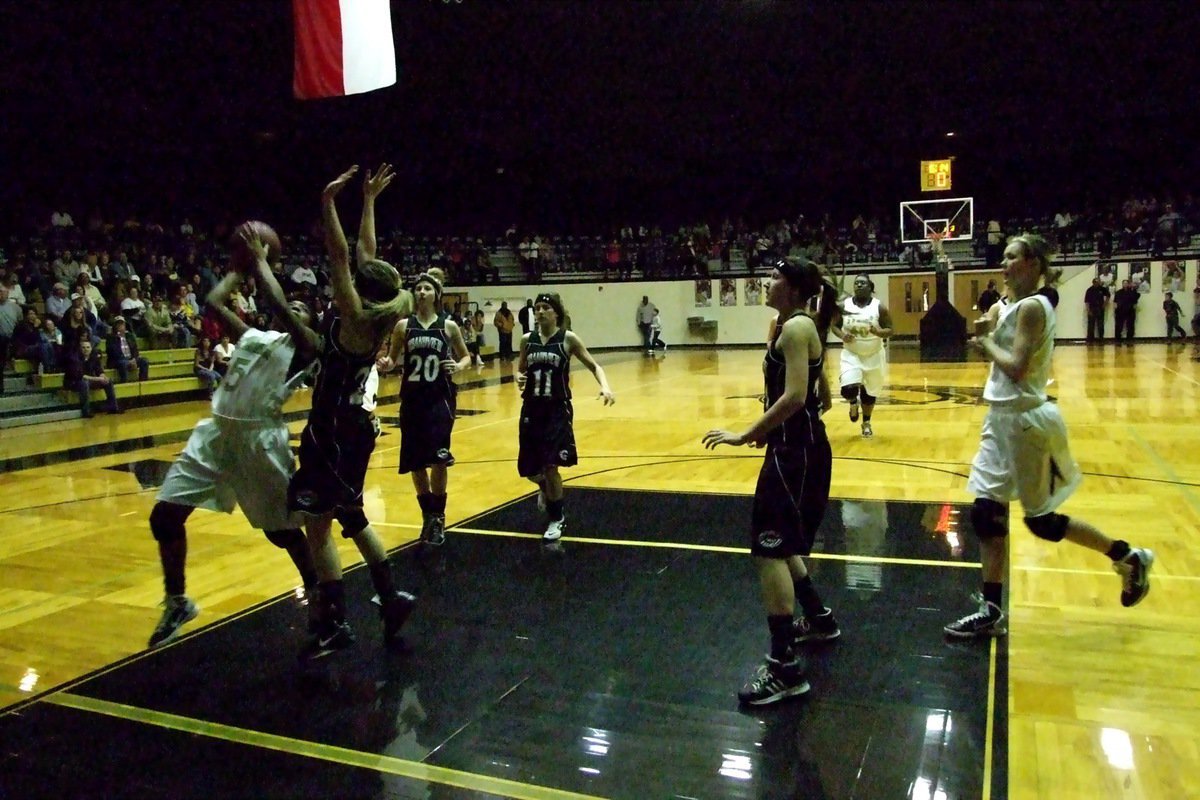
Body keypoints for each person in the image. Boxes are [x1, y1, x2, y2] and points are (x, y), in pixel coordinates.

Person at [945, 234, 1154, 639]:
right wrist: (986, 337)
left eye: (1012, 258)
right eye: (1003, 257)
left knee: (1040, 522)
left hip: (1025, 421)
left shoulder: (1034, 308)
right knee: (985, 515)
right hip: (999, 418)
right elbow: (998, 356)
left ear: (1035, 264)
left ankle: (1127, 556)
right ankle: (991, 610)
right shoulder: (1008, 305)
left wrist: (986, 341)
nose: (1003, 265)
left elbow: (1018, 367)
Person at [146, 232, 322, 647]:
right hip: (215, 434)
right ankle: (177, 601)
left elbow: (279, 303)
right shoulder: (254, 337)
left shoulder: (307, 347)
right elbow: (211, 303)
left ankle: (318, 589)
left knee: (281, 532)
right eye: (290, 305)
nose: (292, 309)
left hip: (259, 442)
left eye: (301, 309)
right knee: (164, 518)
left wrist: (262, 262)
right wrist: (239, 268)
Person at [287, 164, 417, 660]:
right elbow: (366, 256)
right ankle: (389, 597)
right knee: (353, 515)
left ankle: (335, 624)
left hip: (332, 429)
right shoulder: (383, 306)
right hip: (354, 429)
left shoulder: (355, 316)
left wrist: (326, 203)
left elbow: (342, 254)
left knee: (317, 527)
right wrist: (367, 201)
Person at [703, 258, 839, 706]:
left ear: (795, 288)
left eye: (777, 277)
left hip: (795, 454)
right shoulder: (790, 325)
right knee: (782, 545)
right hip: (796, 449)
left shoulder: (798, 328)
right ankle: (818, 617)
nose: (768, 281)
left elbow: (799, 396)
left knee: (768, 551)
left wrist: (749, 432)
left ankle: (785, 669)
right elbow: (822, 396)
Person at [380, 270, 470, 547]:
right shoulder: (403, 326)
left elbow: (466, 356)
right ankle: (428, 516)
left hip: (440, 398)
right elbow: (393, 359)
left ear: (437, 294)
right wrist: (386, 365)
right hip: (412, 399)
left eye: (426, 289)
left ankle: (438, 516)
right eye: (418, 288)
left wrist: (457, 366)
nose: (421, 292)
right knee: (415, 462)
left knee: (440, 458)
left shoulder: (449, 326)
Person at [517, 292, 615, 541]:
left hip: (556, 409)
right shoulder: (527, 340)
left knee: (551, 466)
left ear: (556, 313)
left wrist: (605, 386)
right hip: (531, 409)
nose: (540, 312)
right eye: (537, 308)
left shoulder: (567, 339)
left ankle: (556, 519)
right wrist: (519, 378)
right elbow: (520, 371)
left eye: (545, 308)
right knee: (528, 470)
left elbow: (595, 366)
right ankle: (543, 488)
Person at [831, 274, 892, 438]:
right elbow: (834, 326)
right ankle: (852, 403)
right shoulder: (844, 305)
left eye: (863, 283)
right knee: (848, 389)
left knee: (869, 393)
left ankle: (866, 422)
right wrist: (842, 335)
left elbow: (890, 329)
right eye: (856, 283)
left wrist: (879, 332)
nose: (858, 285)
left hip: (874, 354)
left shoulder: (880, 307)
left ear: (870, 287)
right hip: (852, 354)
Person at [63, 337, 121, 417]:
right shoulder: (74, 358)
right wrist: (98, 379)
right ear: (80, 349)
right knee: (84, 384)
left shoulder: (93, 357)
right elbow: (81, 376)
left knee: (108, 381)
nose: (86, 349)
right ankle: (86, 412)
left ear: (91, 348)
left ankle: (113, 408)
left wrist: (103, 376)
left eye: (88, 347)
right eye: (83, 347)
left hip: (89, 380)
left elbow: (99, 370)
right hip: (73, 382)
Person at [105, 316, 150, 382]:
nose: (120, 326)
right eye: (118, 324)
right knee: (123, 363)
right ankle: (124, 383)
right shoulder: (111, 338)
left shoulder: (130, 336)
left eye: (122, 324)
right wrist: (128, 361)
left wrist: (134, 359)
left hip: (131, 359)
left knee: (144, 361)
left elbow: (135, 349)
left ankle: (143, 382)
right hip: (118, 360)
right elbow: (113, 353)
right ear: (115, 326)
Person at [1083, 277, 1110, 342]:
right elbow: (1087, 301)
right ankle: (1090, 339)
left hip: (1100, 308)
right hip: (1092, 308)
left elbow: (1108, 295)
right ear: (1093, 283)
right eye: (1096, 282)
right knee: (1091, 325)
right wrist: (1088, 310)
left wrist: (1105, 304)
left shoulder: (1102, 289)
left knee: (1100, 325)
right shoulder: (1089, 290)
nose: (1097, 283)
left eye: (1098, 282)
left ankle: (1101, 339)